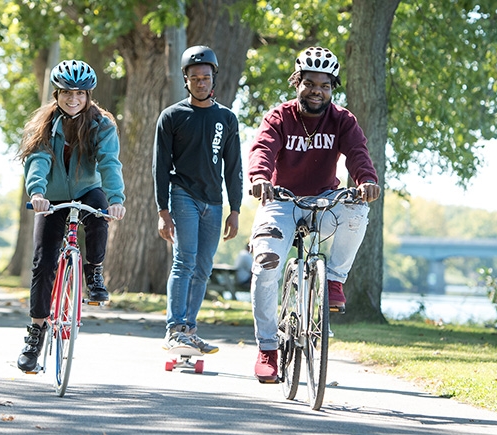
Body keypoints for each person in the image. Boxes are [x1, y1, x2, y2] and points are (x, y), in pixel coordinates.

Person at [247, 46, 382, 382]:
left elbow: (358, 154)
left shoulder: (342, 120)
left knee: (357, 208)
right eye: (310, 83)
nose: (317, 91)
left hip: (324, 200)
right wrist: (260, 178)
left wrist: (367, 181)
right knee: (265, 265)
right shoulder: (279, 117)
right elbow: (263, 148)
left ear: (332, 88)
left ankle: (334, 280)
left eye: (325, 85)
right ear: (297, 82)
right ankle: (267, 347)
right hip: (282, 200)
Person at [15, 59, 126, 372]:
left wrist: (116, 199)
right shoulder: (45, 124)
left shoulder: (102, 124)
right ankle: (36, 334)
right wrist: (37, 193)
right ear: (56, 93)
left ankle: (93, 273)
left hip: (88, 188)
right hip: (51, 196)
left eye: (80, 92)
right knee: (43, 262)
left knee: (99, 210)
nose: (73, 98)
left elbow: (109, 163)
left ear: (89, 94)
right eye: (67, 92)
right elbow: (37, 160)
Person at [153, 45, 243, 354]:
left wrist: (236, 210)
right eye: (195, 78)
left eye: (206, 77)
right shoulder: (172, 117)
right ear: (186, 80)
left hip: (214, 202)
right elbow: (160, 166)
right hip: (183, 195)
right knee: (185, 260)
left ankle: (189, 330)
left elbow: (233, 167)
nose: (201, 82)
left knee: (204, 267)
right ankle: (174, 328)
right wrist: (162, 211)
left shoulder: (227, 119)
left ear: (213, 78)